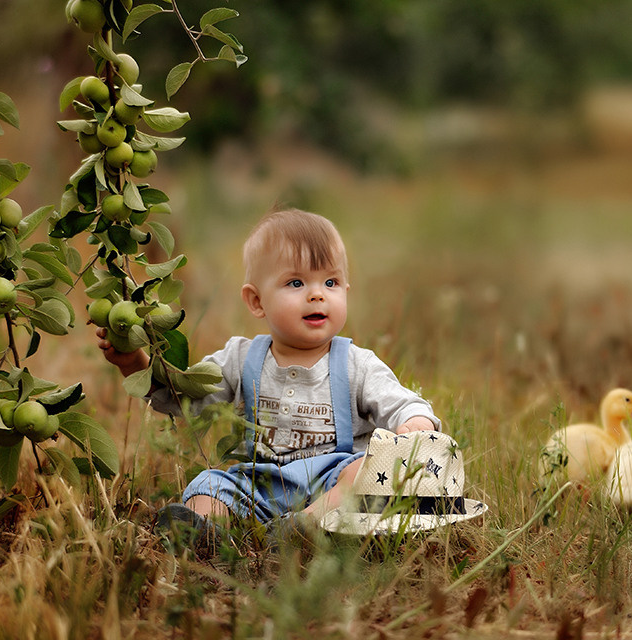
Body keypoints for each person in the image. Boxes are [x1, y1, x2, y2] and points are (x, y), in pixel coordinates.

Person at [97, 208, 440, 537]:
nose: (317, 294)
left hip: (330, 483)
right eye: (296, 283)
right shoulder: (241, 358)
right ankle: (205, 531)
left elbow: (403, 404)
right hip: (261, 483)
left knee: (363, 471)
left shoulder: (357, 364)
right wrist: (133, 362)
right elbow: (181, 394)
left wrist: (414, 424)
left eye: (331, 282)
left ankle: (305, 527)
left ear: (345, 292)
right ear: (257, 301)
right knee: (210, 485)